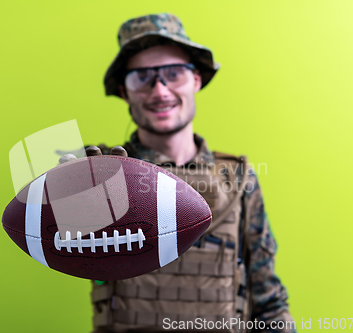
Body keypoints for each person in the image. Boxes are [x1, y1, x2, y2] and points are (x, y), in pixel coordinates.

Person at [79, 13, 295, 333]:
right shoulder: (102, 174)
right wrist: (66, 194)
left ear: (196, 80)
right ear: (125, 91)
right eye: (142, 77)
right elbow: (64, 247)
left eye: (174, 74)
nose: (161, 91)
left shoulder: (238, 179)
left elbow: (269, 303)